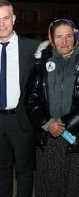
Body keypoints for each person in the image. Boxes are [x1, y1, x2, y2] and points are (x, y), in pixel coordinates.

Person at [0, 0, 38, 197]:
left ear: (13, 19)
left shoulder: (32, 48)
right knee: (2, 168)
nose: (2, 23)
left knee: (24, 170)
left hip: (21, 119)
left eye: (6, 18)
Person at [26, 19, 79, 197]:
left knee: (73, 187)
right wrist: (48, 124)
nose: (64, 42)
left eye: (69, 36)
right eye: (59, 37)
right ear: (51, 38)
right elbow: (32, 98)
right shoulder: (41, 63)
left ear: (75, 37)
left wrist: (63, 124)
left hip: (75, 138)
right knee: (49, 188)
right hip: (48, 138)